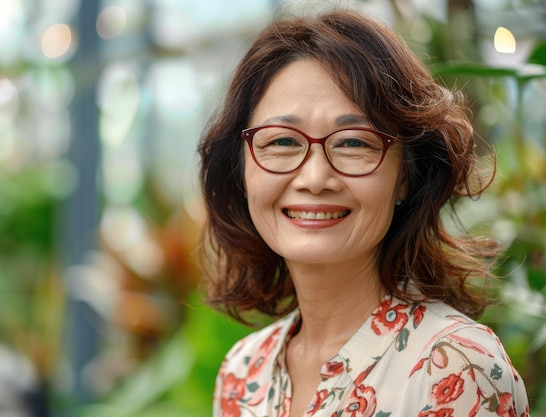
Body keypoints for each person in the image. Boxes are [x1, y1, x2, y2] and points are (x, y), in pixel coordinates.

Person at [197, 7, 530, 417]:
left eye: (353, 143)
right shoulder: (244, 371)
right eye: (282, 141)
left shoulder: (454, 366)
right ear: (241, 168)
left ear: (405, 175)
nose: (315, 177)